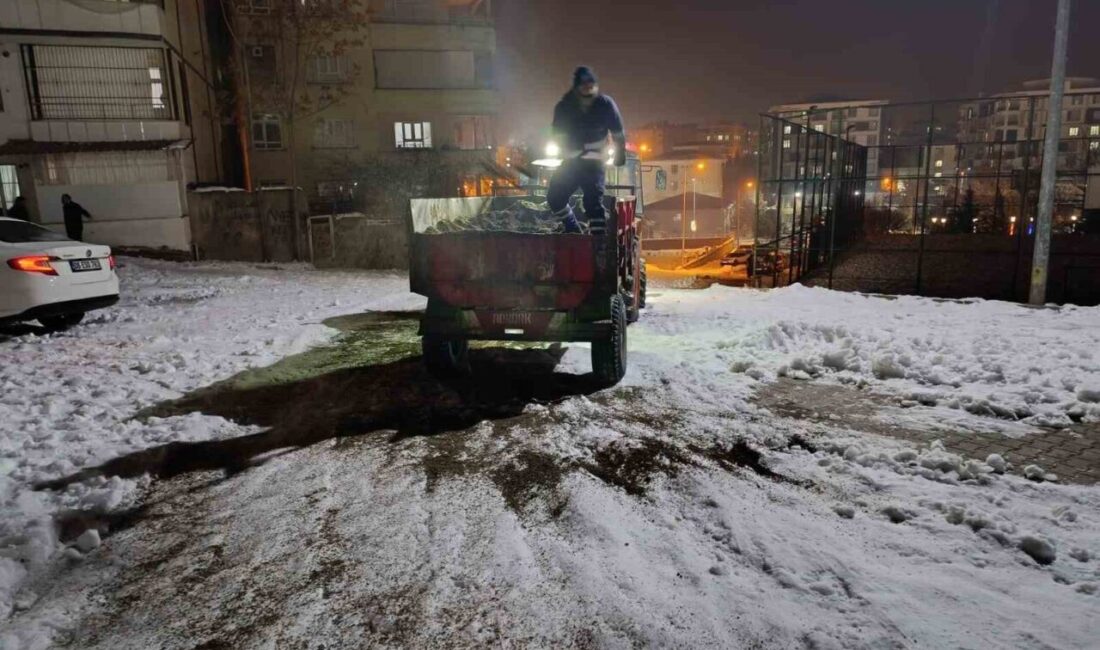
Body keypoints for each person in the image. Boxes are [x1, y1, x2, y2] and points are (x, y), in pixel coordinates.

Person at [547, 66, 627, 233]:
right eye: (584, 85)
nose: (588, 89)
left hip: (594, 162)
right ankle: (573, 228)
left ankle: (598, 244)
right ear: (576, 87)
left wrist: (620, 153)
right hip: (572, 162)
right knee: (555, 198)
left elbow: (617, 131)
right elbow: (557, 133)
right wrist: (565, 147)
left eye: (591, 85)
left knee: (593, 204)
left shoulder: (605, 104)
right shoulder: (564, 107)